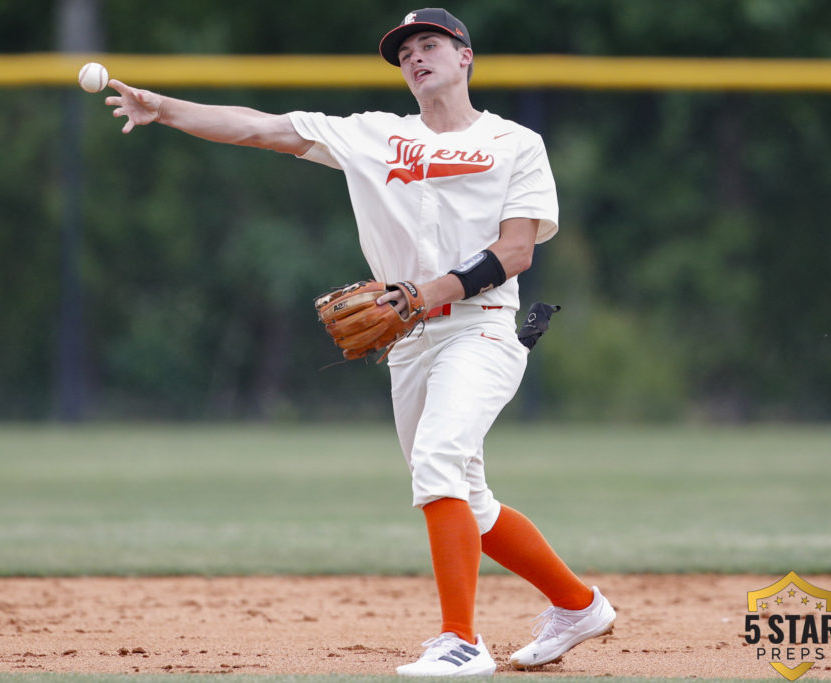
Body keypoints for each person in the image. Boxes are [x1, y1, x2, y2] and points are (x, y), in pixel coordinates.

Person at [106, 7, 616, 676]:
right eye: (405, 51)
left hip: (484, 328)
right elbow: (262, 128)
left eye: (430, 44)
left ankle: (461, 640)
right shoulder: (372, 137)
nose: (415, 57)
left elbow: (515, 251)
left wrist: (424, 293)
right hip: (408, 341)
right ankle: (579, 605)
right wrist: (164, 108)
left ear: (465, 56)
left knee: (437, 461)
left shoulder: (515, 143)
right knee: (467, 494)